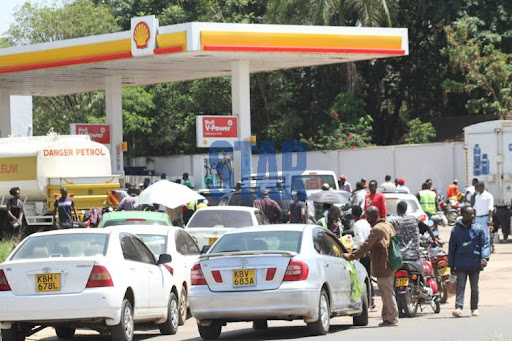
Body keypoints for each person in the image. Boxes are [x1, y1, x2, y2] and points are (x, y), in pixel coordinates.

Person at [343, 206, 399, 327]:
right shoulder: (387, 225)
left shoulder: (377, 229)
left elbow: (365, 246)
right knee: (385, 292)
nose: (367, 219)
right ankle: (387, 318)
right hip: (391, 263)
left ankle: (392, 318)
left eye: (368, 217)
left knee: (387, 292)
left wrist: (350, 256)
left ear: (374, 216)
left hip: (382, 264)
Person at [449, 206, 490, 317]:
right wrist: (451, 265)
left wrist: (484, 257)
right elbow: (452, 248)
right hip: (461, 263)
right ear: (462, 214)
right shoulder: (456, 230)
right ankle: (458, 307)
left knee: (474, 287)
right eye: (469, 214)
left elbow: (485, 244)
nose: (471, 216)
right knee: (460, 286)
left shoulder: (479, 228)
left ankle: (474, 308)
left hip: (475, 262)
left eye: (473, 214)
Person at [351, 205, 374, 309]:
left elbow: (360, 240)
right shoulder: (366, 222)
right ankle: (371, 301)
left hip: (363, 252)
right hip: (370, 250)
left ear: (353, 214)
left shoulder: (356, 225)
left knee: (362, 277)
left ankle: (366, 301)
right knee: (369, 277)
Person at [473, 181, 494, 246]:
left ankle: (486, 251)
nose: (477, 189)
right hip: (477, 218)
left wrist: (489, 219)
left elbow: (491, 209)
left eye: (478, 187)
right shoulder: (477, 196)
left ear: (482, 187)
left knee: (485, 235)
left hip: (485, 218)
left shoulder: (489, 196)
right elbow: (475, 208)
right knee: (476, 235)